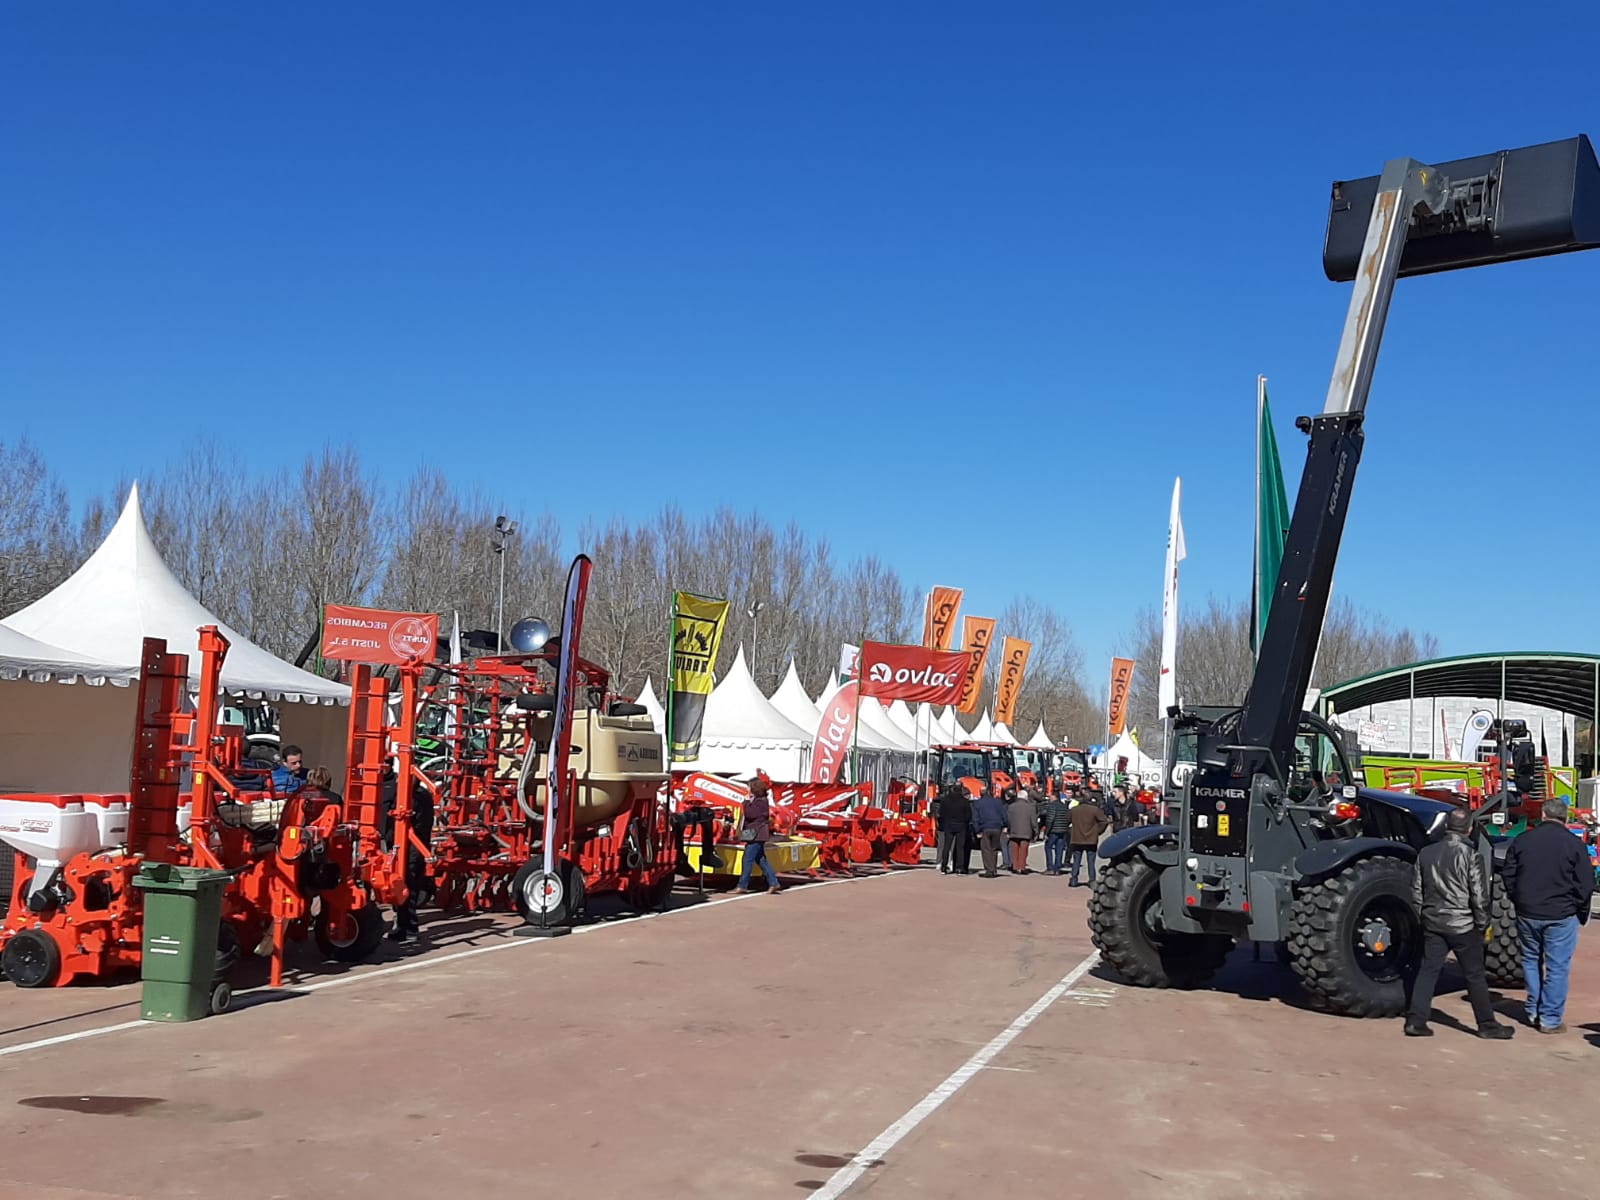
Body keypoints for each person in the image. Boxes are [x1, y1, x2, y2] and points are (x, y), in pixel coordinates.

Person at [1405, 808, 1514, 1039]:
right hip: (1463, 923)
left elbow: (1416, 891)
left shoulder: (1426, 853)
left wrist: (1422, 917)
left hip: (1434, 921)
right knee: (1474, 976)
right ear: (1470, 829)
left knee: (1427, 972)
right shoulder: (1471, 855)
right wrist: (1482, 924)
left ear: (1446, 827)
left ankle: (1416, 1020)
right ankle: (1486, 1024)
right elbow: (1478, 895)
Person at [1501, 796, 1595, 1034]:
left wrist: (1518, 900)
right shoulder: (1574, 845)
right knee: (1557, 967)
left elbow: (1508, 874)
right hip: (1561, 914)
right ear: (1564, 818)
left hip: (1528, 911)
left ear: (1543, 815)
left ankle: (1533, 1010)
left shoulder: (1522, 841)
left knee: (1531, 961)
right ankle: (1550, 1018)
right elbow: (1586, 883)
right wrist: (1579, 910)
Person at [736, 776, 784, 894]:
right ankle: (774, 883)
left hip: (756, 834)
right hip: (757, 834)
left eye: (749, 786)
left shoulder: (760, 801)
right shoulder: (761, 800)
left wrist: (746, 802)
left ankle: (742, 885)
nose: (747, 789)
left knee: (747, 859)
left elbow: (750, 814)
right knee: (761, 859)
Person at [1068, 788, 1109, 887]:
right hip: (1091, 839)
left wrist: (1072, 831)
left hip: (1077, 838)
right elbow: (1104, 822)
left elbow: (1067, 821)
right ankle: (1092, 880)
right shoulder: (1095, 810)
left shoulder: (1074, 810)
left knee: (1076, 860)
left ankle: (1074, 879)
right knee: (1091, 861)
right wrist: (1098, 831)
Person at [936, 782, 973, 875]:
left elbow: (941, 813)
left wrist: (945, 822)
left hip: (948, 825)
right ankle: (959, 868)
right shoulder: (964, 802)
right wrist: (964, 822)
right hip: (961, 825)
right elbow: (968, 815)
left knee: (946, 847)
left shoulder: (945, 800)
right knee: (960, 847)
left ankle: (944, 867)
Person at [974, 788, 1008, 878]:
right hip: (997, 827)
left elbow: (975, 818)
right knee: (994, 849)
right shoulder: (998, 802)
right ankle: (993, 869)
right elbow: (1004, 814)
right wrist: (1006, 825)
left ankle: (989, 870)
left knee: (986, 849)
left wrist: (977, 830)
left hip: (985, 827)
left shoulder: (978, 803)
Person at [1006, 787, 1038, 874]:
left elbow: (1008, 820)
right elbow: (1033, 821)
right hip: (1026, 832)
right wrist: (1036, 831)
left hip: (1014, 831)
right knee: (1023, 851)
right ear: (1026, 797)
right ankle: (1022, 867)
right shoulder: (1030, 807)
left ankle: (1015, 866)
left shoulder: (1011, 807)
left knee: (1014, 850)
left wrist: (1008, 829)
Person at [1041, 788, 1073, 875]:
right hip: (1063, 830)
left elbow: (1050, 819)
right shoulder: (1064, 806)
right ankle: (1057, 867)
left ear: (1053, 796)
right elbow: (1068, 818)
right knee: (1059, 849)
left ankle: (1050, 867)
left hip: (1054, 830)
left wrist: (1046, 832)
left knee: (1048, 847)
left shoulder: (1052, 806)